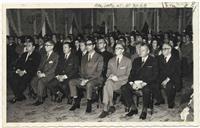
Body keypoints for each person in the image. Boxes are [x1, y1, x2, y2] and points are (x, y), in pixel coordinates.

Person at [121, 43, 159, 120]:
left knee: (146, 89)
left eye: (143, 50)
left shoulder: (153, 60)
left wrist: (144, 83)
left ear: (148, 51)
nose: (141, 52)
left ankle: (144, 110)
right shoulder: (136, 60)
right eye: (140, 50)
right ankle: (133, 108)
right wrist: (132, 83)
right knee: (124, 88)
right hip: (136, 83)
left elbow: (155, 75)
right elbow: (131, 74)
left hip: (148, 83)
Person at [69, 39, 103, 113]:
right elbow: (81, 70)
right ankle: (76, 101)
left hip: (96, 79)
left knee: (89, 84)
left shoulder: (99, 57)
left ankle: (89, 103)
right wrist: (82, 79)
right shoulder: (84, 57)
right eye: (86, 45)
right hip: (85, 78)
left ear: (94, 46)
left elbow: (98, 72)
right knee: (72, 82)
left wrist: (87, 80)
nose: (87, 46)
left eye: (89, 44)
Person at [98, 42, 132, 118]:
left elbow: (128, 75)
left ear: (122, 50)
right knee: (108, 83)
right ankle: (107, 107)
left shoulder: (128, 61)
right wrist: (111, 75)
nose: (116, 49)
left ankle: (109, 106)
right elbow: (107, 73)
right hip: (112, 81)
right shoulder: (111, 60)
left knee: (106, 86)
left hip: (122, 82)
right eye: (115, 48)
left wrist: (118, 78)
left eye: (118, 48)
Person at [31, 40, 59, 106]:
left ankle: (40, 99)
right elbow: (40, 65)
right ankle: (43, 94)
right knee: (33, 81)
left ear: (52, 47)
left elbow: (54, 68)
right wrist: (39, 71)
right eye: (45, 45)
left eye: (47, 45)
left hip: (51, 75)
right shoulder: (44, 56)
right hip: (42, 73)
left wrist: (44, 74)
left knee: (41, 81)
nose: (45, 47)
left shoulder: (56, 55)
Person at [158, 42, 181, 108]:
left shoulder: (175, 59)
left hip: (173, 78)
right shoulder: (160, 58)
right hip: (163, 77)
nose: (163, 50)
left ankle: (171, 102)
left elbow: (176, 72)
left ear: (170, 50)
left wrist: (167, 80)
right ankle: (160, 99)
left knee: (169, 86)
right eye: (162, 49)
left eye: (165, 49)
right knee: (153, 83)